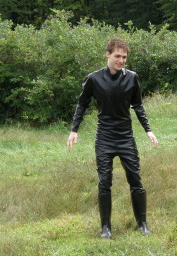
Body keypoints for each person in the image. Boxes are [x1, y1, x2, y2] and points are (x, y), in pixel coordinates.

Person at [67, 38, 158, 237]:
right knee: (104, 181)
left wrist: (148, 130)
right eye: (117, 56)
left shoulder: (132, 77)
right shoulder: (94, 79)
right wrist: (74, 130)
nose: (121, 60)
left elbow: (138, 105)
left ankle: (142, 224)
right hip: (105, 137)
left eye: (124, 57)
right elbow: (82, 104)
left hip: (126, 137)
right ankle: (105, 228)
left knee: (135, 179)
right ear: (108, 54)